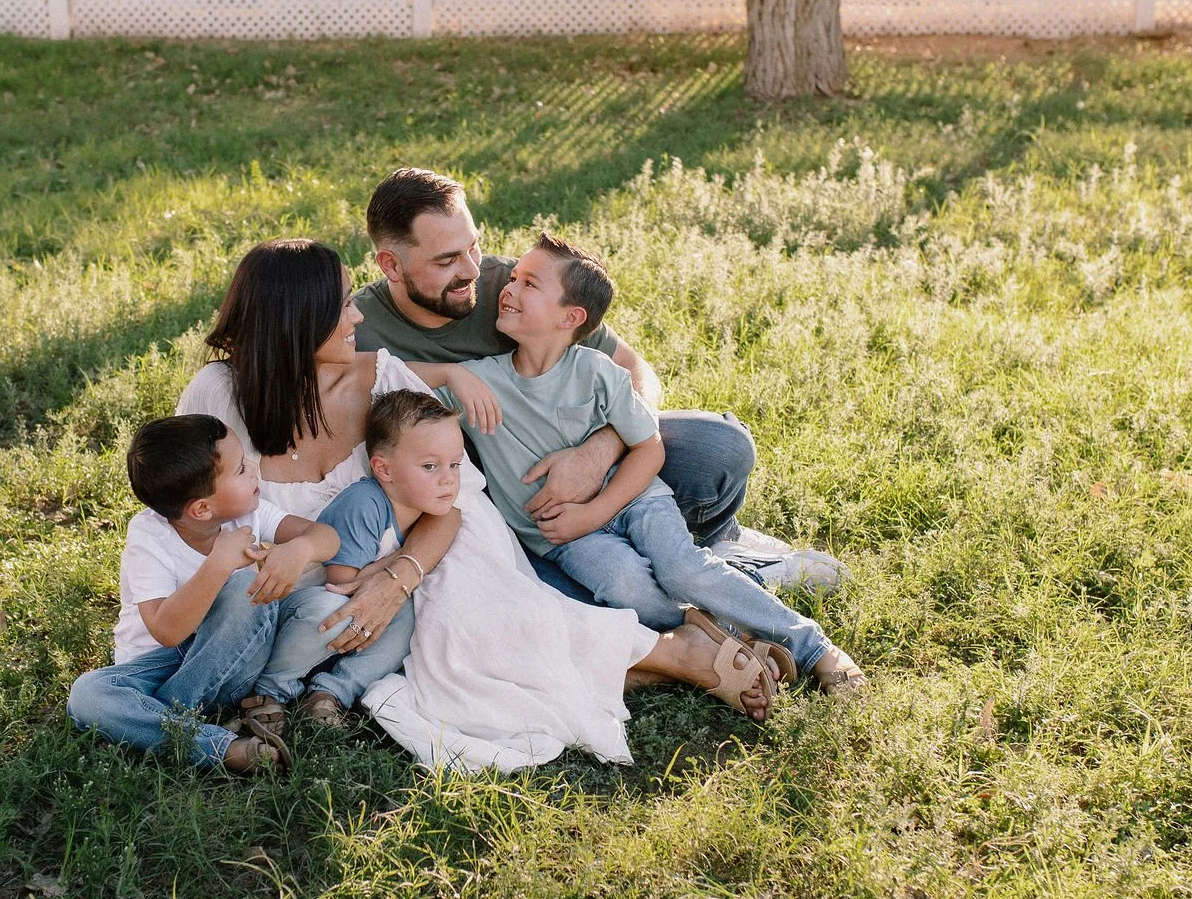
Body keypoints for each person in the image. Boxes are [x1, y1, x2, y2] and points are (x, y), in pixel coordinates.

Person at [178, 239, 789, 772]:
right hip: (309, 583)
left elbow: (453, 503)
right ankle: (684, 645)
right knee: (448, 676)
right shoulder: (218, 397)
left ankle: (681, 651)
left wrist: (398, 578)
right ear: (295, 321)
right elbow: (184, 518)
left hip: (428, 546)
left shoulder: (384, 379)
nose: (357, 313)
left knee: (479, 632)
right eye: (340, 305)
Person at [355, 167, 847, 602]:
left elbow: (636, 371)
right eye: (446, 260)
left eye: (474, 245)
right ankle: (735, 576)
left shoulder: (514, 285)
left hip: (591, 465)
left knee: (719, 447)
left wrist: (598, 451)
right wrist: (448, 374)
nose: (471, 269)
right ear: (391, 265)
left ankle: (714, 545)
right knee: (555, 596)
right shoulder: (358, 330)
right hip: (508, 516)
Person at [433, 234, 869, 696]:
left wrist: (595, 511)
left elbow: (649, 448)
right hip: (562, 538)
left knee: (682, 570)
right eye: (514, 277)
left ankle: (814, 647)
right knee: (627, 587)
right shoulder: (480, 381)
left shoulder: (599, 372)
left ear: (571, 317)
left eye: (529, 283)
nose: (509, 288)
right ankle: (735, 636)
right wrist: (449, 373)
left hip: (635, 499)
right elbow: (389, 373)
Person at [64, 414, 341, 775]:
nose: (254, 469)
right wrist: (218, 565)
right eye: (241, 469)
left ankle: (160, 717)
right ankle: (224, 749)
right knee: (87, 694)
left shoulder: (251, 513)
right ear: (202, 509)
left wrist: (301, 549)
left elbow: (327, 538)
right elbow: (165, 630)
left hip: (234, 658)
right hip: (161, 662)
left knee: (328, 605)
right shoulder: (149, 537)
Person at [248, 389, 463, 729]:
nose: (448, 478)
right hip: (298, 616)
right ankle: (269, 690)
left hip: (342, 628)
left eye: (454, 465)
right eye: (429, 466)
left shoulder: (421, 509)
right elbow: (343, 585)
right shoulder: (365, 503)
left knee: (409, 614)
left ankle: (330, 692)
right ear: (384, 469)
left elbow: (453, 519)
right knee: (332, 610)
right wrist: (389, 567)